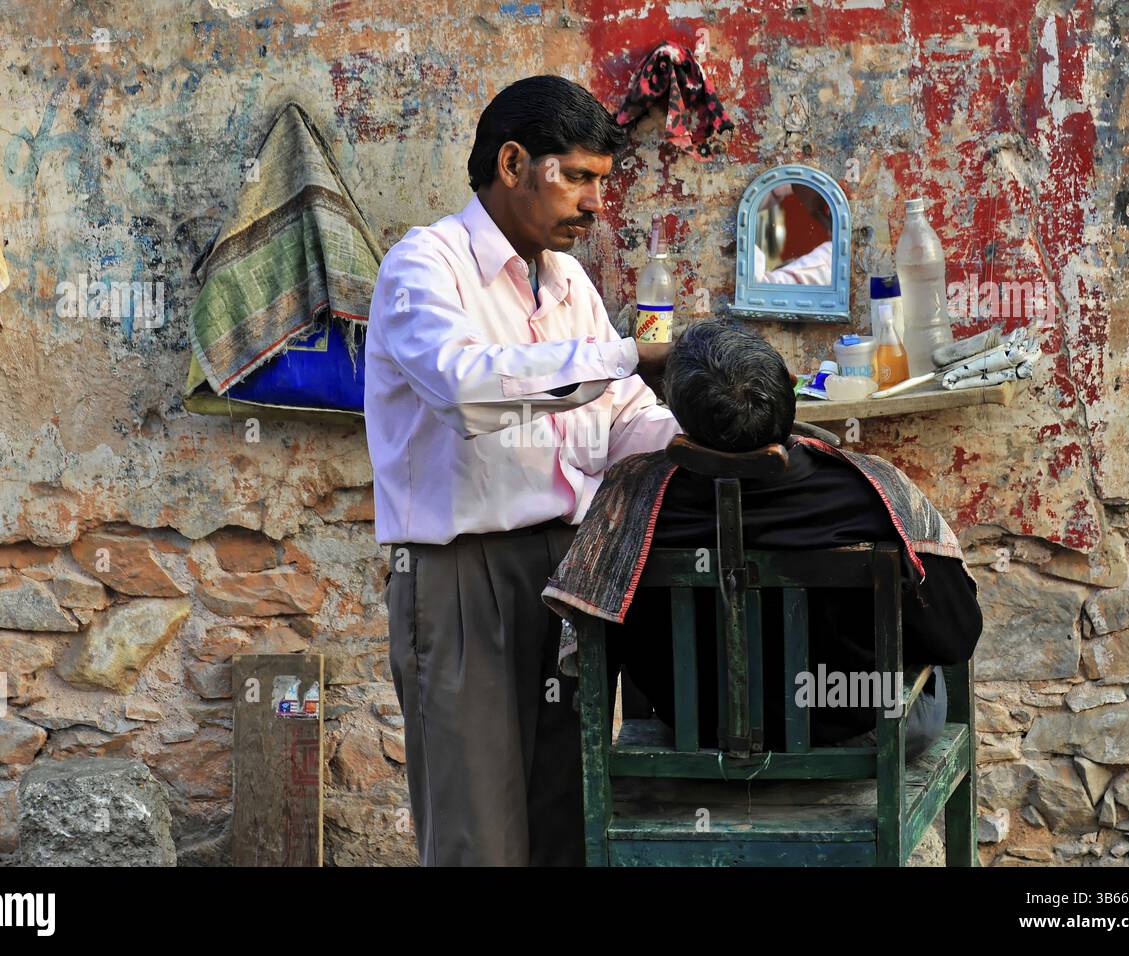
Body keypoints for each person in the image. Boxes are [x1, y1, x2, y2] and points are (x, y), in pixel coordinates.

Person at [364, 75, 681, 866]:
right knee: (479, 833)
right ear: (512, 163)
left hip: (567, 574)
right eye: (576, 176)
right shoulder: (425, 266)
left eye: (600, 182)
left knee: (564, 824)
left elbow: (615, 418)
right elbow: (466, 387)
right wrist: (624, 353)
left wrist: (701, 435)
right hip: (460, 580)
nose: (594, 203)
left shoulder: (566, 281)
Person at [604, 321, 982, 758]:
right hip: (856, 731)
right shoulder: (874, 495)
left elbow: (595, 642)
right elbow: (956, 637)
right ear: (789, 386)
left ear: (679, 415)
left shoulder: (631, 501)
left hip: (699, 732)